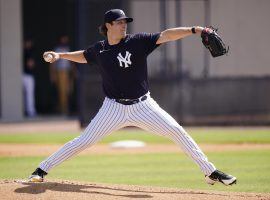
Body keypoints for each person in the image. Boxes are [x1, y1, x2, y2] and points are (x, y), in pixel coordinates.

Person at [29, 9, 237, 186]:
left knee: (176, 131)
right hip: (113, 108)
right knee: (83, 141)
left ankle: (210, 172)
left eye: (125, 22)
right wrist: (60, 56)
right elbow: (83, 56)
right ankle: (41, 169)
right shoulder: (100, 49)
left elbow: (166, 35)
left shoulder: (137, 42)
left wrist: (196, 30)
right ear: (108, 26)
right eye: (119, 22)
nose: (124, 25)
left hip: (143, 106)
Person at [50, 35, 75, 115]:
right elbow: (53, 63)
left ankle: (68, 108)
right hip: (60, 72)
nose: (65, 40)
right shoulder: (57, 49)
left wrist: (74, 71)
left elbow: (72, 60)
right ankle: (63, 109)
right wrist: (53, 74)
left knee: (69, 90)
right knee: (62, 91)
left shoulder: (68, 48)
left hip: (68, 72)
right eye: (63, 39)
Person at [23, 39, 37, 117]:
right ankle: (29, 111)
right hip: (24, 76)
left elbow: (31, 64)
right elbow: (31, 64)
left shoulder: (30, 52)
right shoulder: (23, 52)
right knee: (28, 95)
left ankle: (30, 111)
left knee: (29, 94)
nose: (28, 44)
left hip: (28, 75)